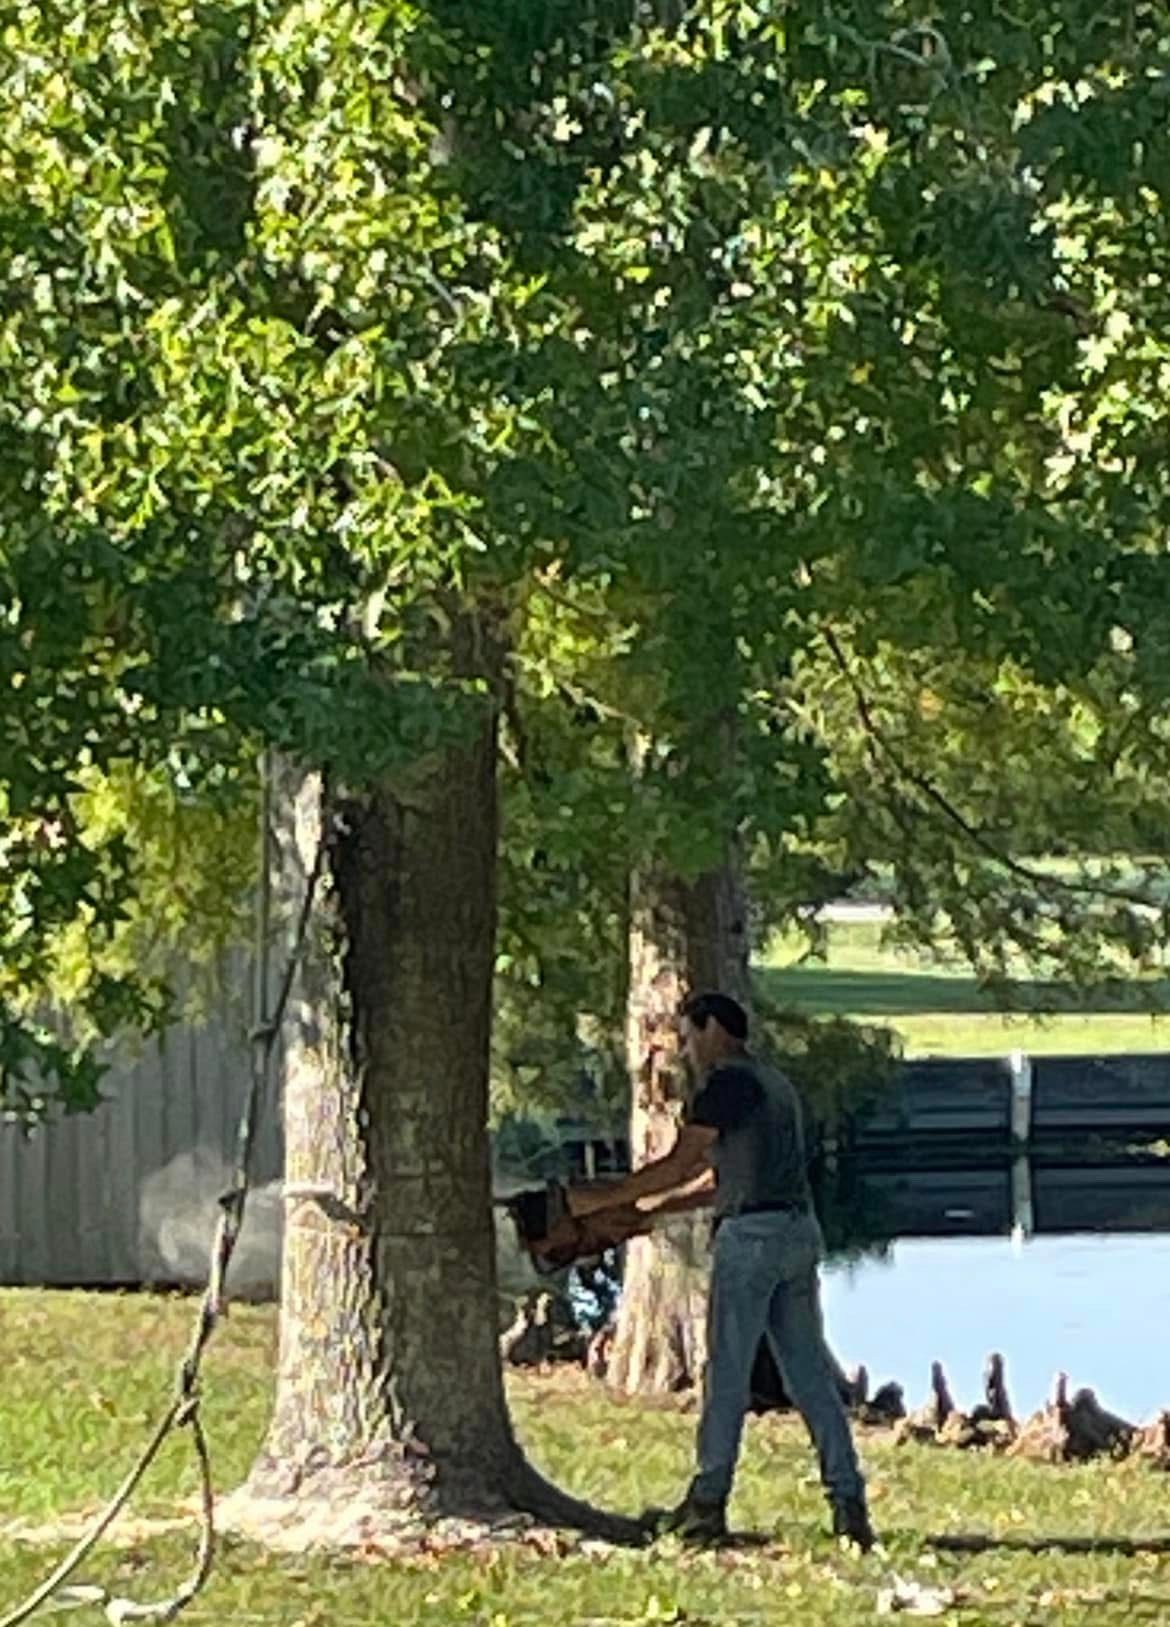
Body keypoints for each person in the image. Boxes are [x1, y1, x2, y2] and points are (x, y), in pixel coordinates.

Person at [566, 990, 874, 1550]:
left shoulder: (726, 1084)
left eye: (688, 1034)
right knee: (808, 1375)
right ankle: (848, 1500)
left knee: (726, 1374)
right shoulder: (775, 1086)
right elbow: (717, 1180)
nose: (686, 1049)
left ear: (713, 1029)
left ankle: (708, 1501)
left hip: (751, 1240)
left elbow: (682, 1163)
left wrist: (602, 1200)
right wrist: (649, 1213)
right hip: (798, 1233)